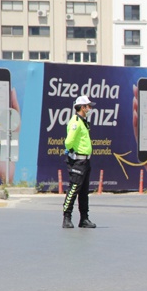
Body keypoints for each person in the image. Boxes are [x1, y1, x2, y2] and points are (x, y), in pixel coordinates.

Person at [62, 95, 97, 229]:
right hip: (78, 162)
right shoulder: (76, 122)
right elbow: (68, 141)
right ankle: (66, 217)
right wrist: (71, 151)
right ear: (82, 107)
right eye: (88, 106)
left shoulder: (83, 121)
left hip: (85, 162)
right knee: (73, 190)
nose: (89, 108)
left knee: (84, 192)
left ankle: (84, 218)